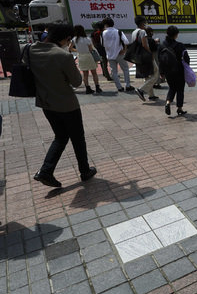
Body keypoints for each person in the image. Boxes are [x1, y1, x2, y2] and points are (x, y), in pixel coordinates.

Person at [29, 24, 97, 187]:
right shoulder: (63, 55)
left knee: (60, 137)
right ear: (66, 39)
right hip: (67, 104)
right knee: (77, 138)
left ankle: (46, 171)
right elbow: (77, 81)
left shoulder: (30, 50)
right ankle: (84, 170)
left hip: (45, 102)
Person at [159, 26, 190, 116]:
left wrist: (161, 72)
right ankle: (179, 108)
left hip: (167, 71)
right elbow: (187, 58)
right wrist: (187, 67)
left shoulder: (162, 45)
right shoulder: (180, 45)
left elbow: (160, 60)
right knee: (180, 89)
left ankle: (168, 102)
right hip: (179, 70)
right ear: (176, 35)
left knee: (172, 87)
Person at [101, 17, 133, 92]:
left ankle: (119, 87)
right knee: (125, 69)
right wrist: (124, 50)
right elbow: (126, 42)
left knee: (114, 72)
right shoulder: (118, 32)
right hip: (119, 53)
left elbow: (103, 44)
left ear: (105, 24)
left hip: (110, 55)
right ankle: (128, 85)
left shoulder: (103, 33)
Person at [131, 16, 158, 101]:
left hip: (138, 56)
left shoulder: (134, 32)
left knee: (147, 75)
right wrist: (150, 53)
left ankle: (151, 95)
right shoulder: (142, 31)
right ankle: (141, 90)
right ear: (143, 23)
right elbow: (144, 44)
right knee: (156, 73)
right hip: (145, 56)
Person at [70, 25, 102, 94]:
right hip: (89, 56)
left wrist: (78, 50)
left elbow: (70, 48)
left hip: (81, 56)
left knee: (85, 74)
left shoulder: (74, 39)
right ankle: (97, 87)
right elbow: (91, 49)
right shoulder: (87, 39)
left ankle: (87, 88)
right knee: (94, 73)